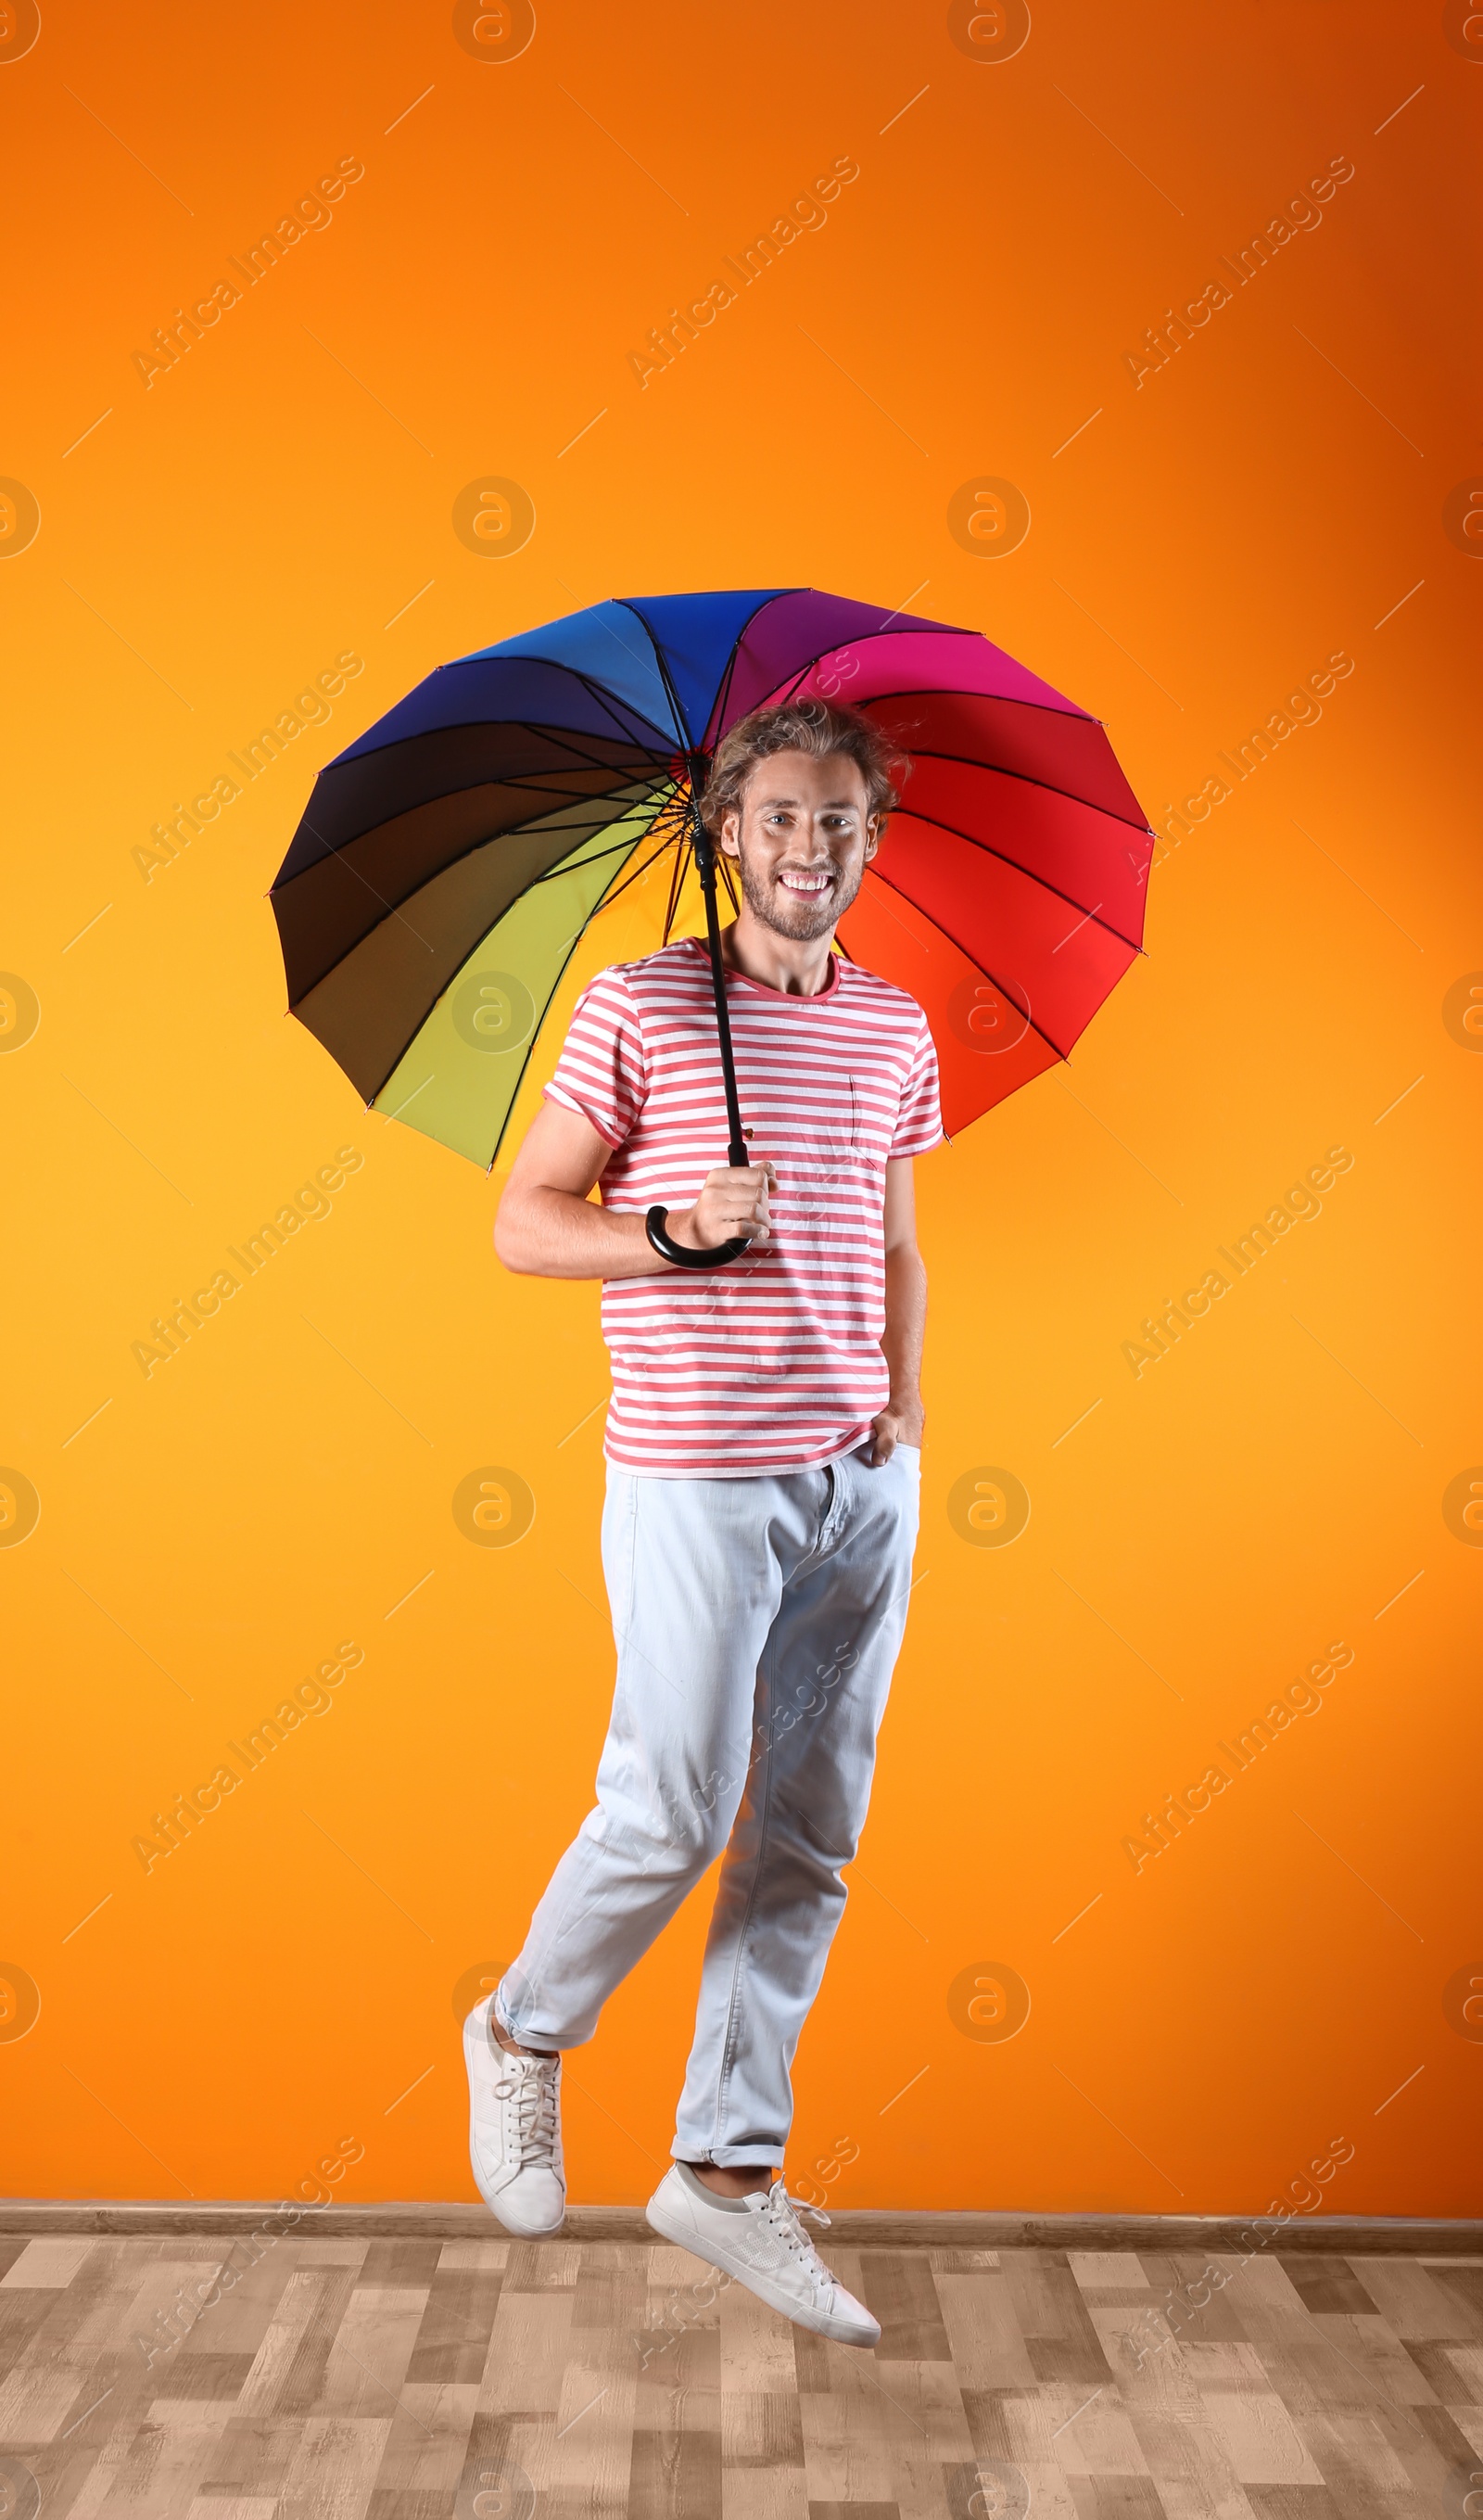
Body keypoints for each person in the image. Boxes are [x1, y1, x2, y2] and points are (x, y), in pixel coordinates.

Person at [463, 696, 943, 2345]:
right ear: (728, 829)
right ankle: (525, 2033)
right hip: (694, 1469)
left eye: (844, 821)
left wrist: (907, 1402)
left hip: (858, 1480)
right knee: (671, 1803)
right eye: (786, 816)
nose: (814, 847)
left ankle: (725, 2175)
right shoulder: (642, 1004)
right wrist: (668, 1230)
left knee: (808, 1831)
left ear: (871, 840)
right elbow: (524, 1226)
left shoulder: (891, 1027)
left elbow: (895, 1239)